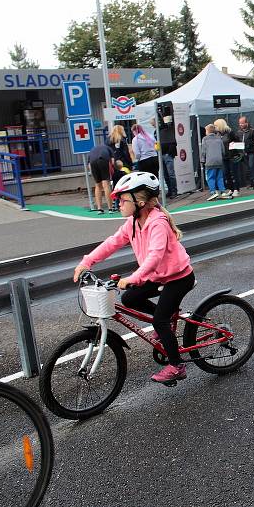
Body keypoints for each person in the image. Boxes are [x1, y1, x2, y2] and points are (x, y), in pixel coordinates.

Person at [72, 172, 195, 385]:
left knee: (159, 320)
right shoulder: (132, 223)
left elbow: (155, 257)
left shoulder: (158, 223)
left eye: (122, 199)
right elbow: (112, 243)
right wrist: (87, 262)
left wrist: (134, 278)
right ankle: (168, 317)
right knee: (129, 299)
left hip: (178, 277)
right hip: (157, 276)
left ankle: (177, 365)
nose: (118, 203)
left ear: (139, 202)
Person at [200, 124, 230, 201]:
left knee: (210, 177)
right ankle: (223, 191)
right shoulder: (219, 138)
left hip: (210, 161)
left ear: (207, 131)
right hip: (219, 161)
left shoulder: (205, 139)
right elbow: (223, 150)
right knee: (220, 177)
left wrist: (202, 160)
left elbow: (203, 151)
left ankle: (213, 192)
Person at [88, 144, 114, 214]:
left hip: (92, 162)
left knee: (98, 185)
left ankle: (100, 209)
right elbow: (112, 161)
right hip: (103, 160)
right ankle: (110, 208)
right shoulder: (109, 148)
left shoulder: (92, 149)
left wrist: (94, 175)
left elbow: (89, 165)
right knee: (106, 184)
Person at [213, 119, 235, 195]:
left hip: (231, 156)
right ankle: (231, 189)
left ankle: (236, 189)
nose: (214, 127)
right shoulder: (217, 135)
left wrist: (234, 150)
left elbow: (237, 141)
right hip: (223, 157)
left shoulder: (230, 132)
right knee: (226, 173)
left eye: (215, 125)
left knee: (234, 172)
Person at [236, 116, 254, 190]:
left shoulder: (252, 130)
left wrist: (253, 148)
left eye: (242, 123)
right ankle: (249, 183)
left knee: (251, 166)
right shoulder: (239, 132)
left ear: (246, 123)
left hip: (251, 152)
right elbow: (237, 141)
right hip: (243, 153)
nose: (240, 125)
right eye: (239, 123)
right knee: (246, 168)